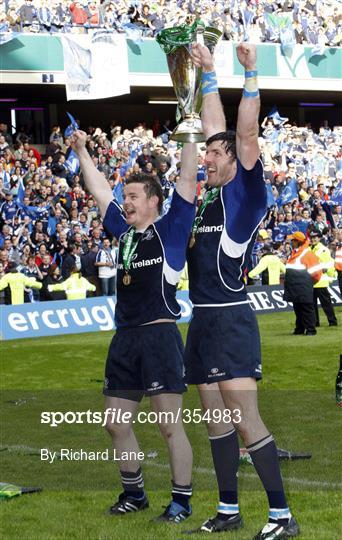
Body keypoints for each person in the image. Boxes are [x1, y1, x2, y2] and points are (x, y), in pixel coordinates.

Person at [184, 42, 299, 539]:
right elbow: (218, 125)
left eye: (214, 152)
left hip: (231, 319)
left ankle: (282, 517)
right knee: (216, 422)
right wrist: (208, 72)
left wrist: (250, 74)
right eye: (207, 151)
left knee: (245, 420)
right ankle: (229, 509)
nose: (206, 156)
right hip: (203, 320)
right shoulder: (208, 198)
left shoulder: (246, 194)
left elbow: (243, 132)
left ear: (235, 161)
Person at [71, 130, 197, 522]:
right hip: (125, 338)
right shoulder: (124, 234)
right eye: (125, 197)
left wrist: (190, 132)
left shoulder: (172, 230)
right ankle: (135, 494)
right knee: (114, 423)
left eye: (133, 197)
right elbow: (99, 192)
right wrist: (81, 151)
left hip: (159, 336)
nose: (125, 202)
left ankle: (181, 502)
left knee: (168, 425)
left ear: (154, 202)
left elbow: (189, 180)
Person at [284, 232, 322, 336]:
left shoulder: (307, 254)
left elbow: (317, 273)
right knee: (298, 309)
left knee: (306, 309)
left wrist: (309, 284)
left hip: (303, 286)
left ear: (297, 241)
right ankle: (300, 328)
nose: (291, 242)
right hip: (295, 287)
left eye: (293, 240)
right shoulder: (295, 253)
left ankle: (311, 330)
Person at [309, 230, 338, 327]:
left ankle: (332, 321)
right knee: (312, 305)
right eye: (312, 237)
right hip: (311, 281)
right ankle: (315, 322)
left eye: (315, 237)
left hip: (321, 281)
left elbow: (328, 264)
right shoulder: (310, 248)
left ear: (319, 238)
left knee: (326, 304)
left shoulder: (323, 249)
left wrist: (327, 272)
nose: (313, 239)